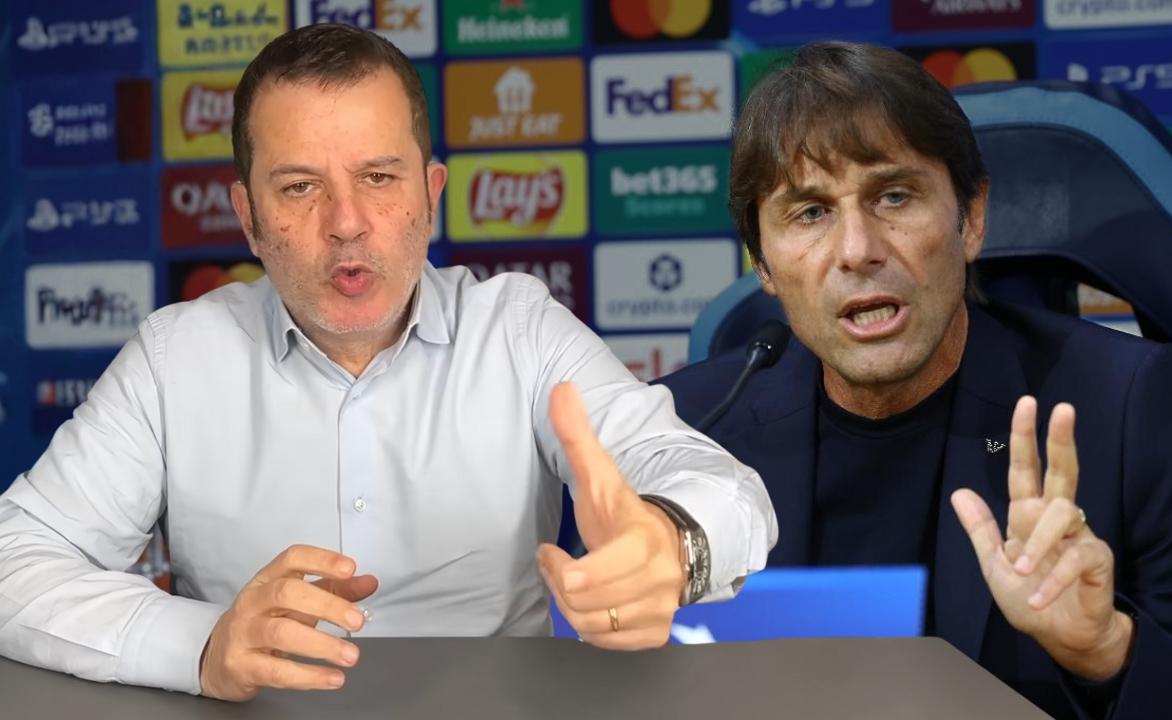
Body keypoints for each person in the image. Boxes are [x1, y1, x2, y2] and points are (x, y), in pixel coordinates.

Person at [0, 24, 776, 702]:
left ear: (430, 195)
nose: (347, 223)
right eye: (299, 187)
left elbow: (726, 492)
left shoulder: (519, 331)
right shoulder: (177, 360)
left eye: (379, 177)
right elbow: (13, 562)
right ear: (249, 219)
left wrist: (671, 545)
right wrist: (203, 646)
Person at [658, 41, 1172, 718]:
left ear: (972, 219)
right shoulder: (690, 431)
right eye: (810, 213)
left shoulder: (1133, 409)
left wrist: (1108, 652)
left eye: (894, 196)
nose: (857, 250)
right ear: (764, 264)